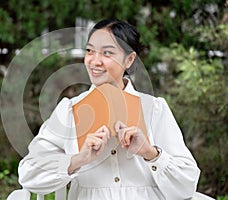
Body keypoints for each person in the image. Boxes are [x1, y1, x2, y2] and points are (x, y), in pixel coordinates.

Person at [18, 19, 201, 200]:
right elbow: (28, 173)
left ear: (129, 60)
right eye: (89, 51)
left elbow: (187, 184)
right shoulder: (69, 111)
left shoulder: (154, 109)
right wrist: (79, 159)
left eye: (107, 53)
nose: (95, 61)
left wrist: (150, 153)